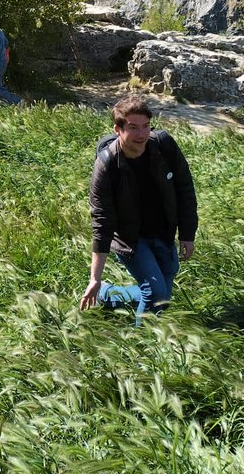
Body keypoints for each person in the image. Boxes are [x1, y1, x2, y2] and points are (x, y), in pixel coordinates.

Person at [80, 95, 198, 318]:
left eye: (146, 126)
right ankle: (143, 348)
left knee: (162, 295)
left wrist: (187, 234)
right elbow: (102, 222)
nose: (142, 134)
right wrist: (94, 277)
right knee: (156, 295)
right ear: (118, 129)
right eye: (133, 128)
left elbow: (185, 190)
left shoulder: (163, 146)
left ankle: (107, 294)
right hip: (130, 239)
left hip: (163, 233)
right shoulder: (106, 165)